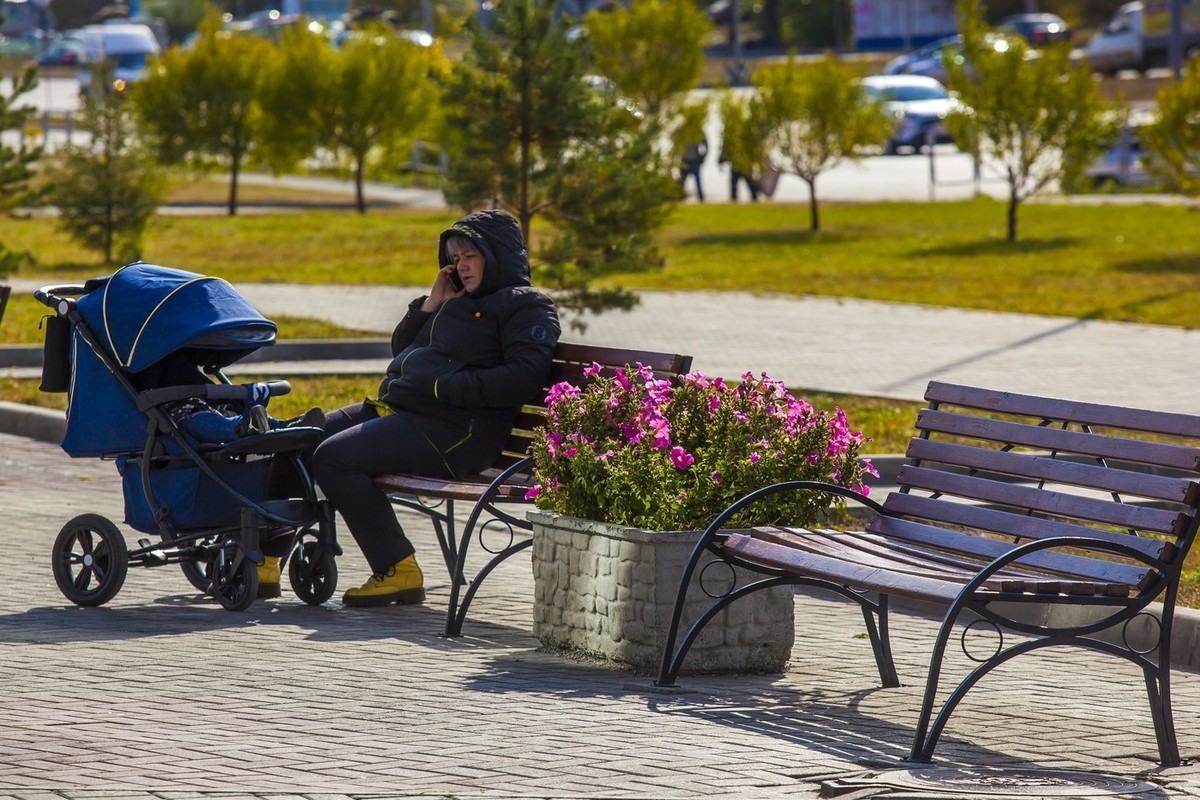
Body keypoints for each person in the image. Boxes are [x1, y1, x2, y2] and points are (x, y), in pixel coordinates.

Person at [309, 209, 560, 607]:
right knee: (301, 438)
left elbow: (522, 377)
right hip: (409, 413)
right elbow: (403, 349)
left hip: (459, 432)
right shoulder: (456, 299)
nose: (460, 266)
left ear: (495, 255)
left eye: (470, 256)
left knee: (336, 458)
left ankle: (398, 569)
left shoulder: (526, 307)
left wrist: (445, 385)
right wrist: (432, 302)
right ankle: (262, 558)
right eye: (455, 258)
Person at [678, 135, 708, 202]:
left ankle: (701, 198)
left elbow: (706, 145)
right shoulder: (683, 131)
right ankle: (679, 197)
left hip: (695, 160)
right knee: (682, 180)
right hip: (685, 160)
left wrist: (702, 157)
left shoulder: (697, 131)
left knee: (698, 180)